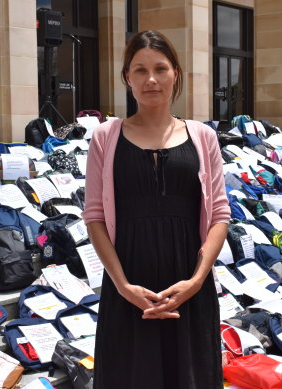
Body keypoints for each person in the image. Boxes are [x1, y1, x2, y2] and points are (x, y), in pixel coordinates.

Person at [82, 30, 230, 389]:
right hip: (130, 285)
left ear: (175, 73)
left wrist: (196, 281)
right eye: (140, 70)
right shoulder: (105, 136)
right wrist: (123, 286)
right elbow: (95, 216)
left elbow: (220, 215)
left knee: (189, 375)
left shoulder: (202, 136)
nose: (151, 79)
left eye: (160, 68)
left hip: (188, 285)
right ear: (127, 78)